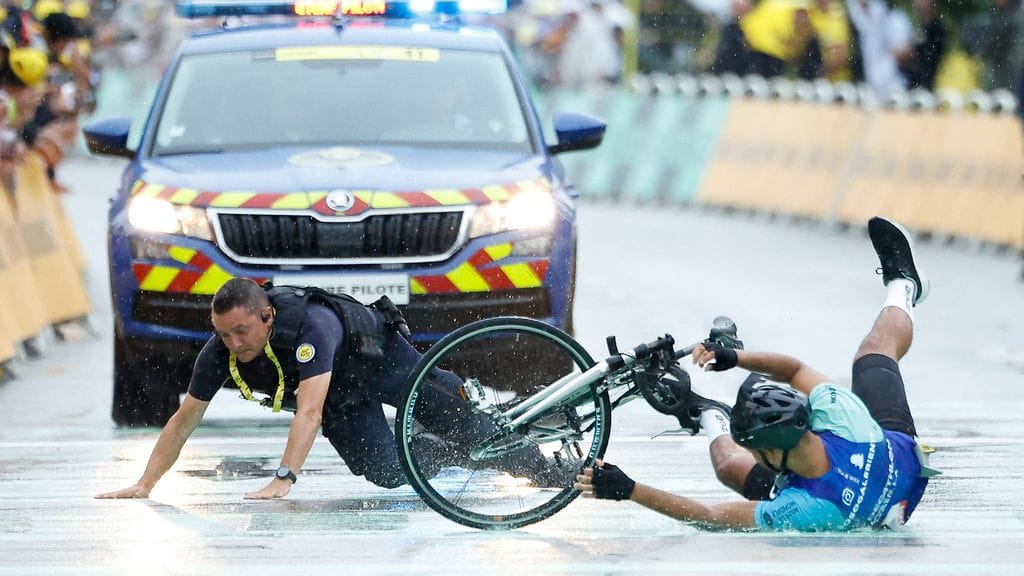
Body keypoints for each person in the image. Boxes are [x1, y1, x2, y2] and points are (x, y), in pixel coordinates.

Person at [575, 216, 938, 531]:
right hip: (891, 451)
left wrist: (631, 489)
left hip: (885, 487)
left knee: (732, 467)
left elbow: (712, 516)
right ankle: (903, 287)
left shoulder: (806, 509)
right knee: (873, 354)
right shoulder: (842, 415)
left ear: (768, 453)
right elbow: (795, 370)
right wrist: (735, 356)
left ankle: (708, 412)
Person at [97, 279, 568, 500]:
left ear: (267, 317)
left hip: (383, 363)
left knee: (473, 428)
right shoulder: (219, 351)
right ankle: (438, 450)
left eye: (241, 331)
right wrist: (145, 482)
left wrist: (283, 480)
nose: (234, 344)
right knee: (386, 471)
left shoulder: (311, 328)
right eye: (224, 334)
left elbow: (308, 413)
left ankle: (548, 465)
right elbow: (183, 420)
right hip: (345, 396)